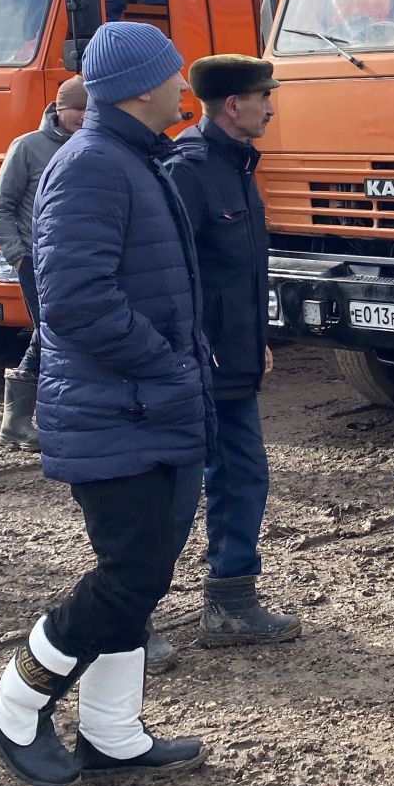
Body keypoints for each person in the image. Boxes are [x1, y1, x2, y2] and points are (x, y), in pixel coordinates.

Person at [0, 22, 209, 786]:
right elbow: (74, 303)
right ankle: (14, 701)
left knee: (142, 571)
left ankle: (111, 732)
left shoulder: (134, 159)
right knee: (131, 571)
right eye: (175, 75)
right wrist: (166, 359)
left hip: (146, 402)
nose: (186, 87)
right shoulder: (93, 168)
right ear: (143, 87)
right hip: (121, 406)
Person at [163, 55, 303, 647]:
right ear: (231, 105)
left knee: (244, 476)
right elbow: (173, 278)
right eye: (262, 96)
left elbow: (239, 271)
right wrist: (190, 351)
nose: (270, 106)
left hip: (235, 359)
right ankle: (128, 615)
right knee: (173, 489)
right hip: (197, 364)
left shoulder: (237, 164)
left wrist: (257, 340)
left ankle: (230, 601)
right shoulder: (187, 170)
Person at [0, 76, 89, 451]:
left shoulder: (94, 146)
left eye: (89, 109)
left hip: (82, 261)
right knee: (52, 332)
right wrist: (16, 255)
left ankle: (36, 421)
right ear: (60, 110)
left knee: (56, 333)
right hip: (37, 261)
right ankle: (21, 422)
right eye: (77, 109)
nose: (84, 116)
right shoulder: (28, 147)